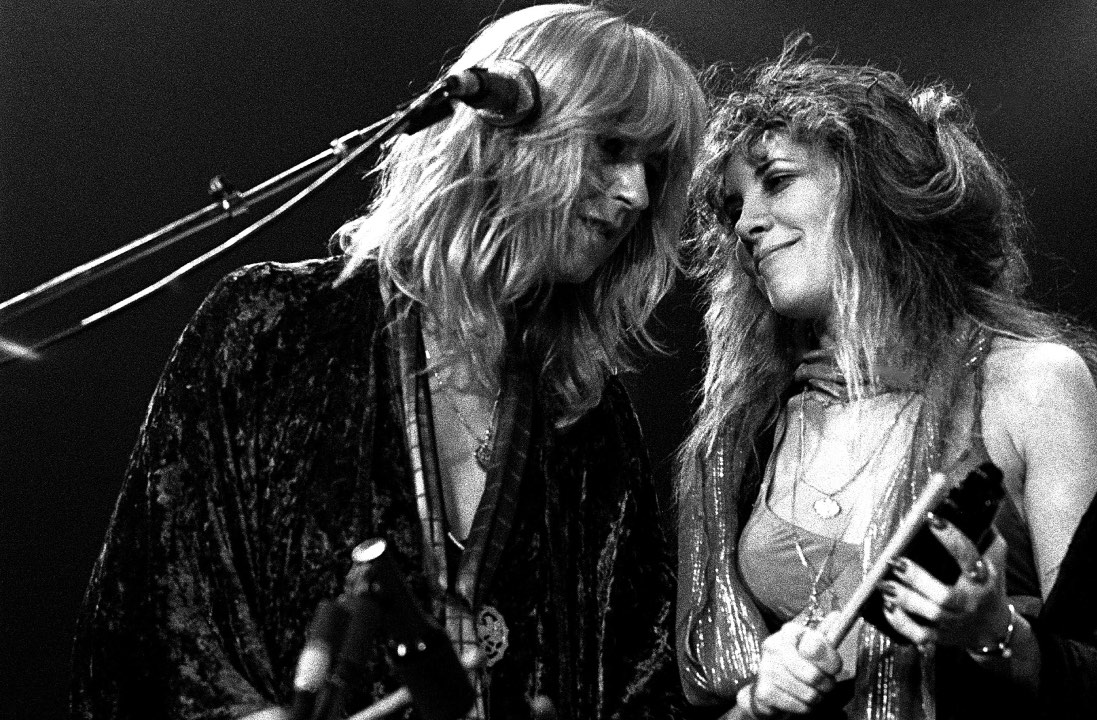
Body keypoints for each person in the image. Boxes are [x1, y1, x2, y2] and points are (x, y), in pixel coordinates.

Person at [70, 5, 707, 719]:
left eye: (655, 169)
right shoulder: (271, 328)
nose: (637, 194)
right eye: (611, 147)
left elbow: (641, 682)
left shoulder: (588, 409)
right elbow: (149, 622)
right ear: (505, 132)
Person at [675, 46, 1097, 720]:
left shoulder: (1032, 385)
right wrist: (757, 697)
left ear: (874, 190)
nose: (747, 223)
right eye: (734, 206)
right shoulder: (747, 431)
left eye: (777, 181)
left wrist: (992, 632)